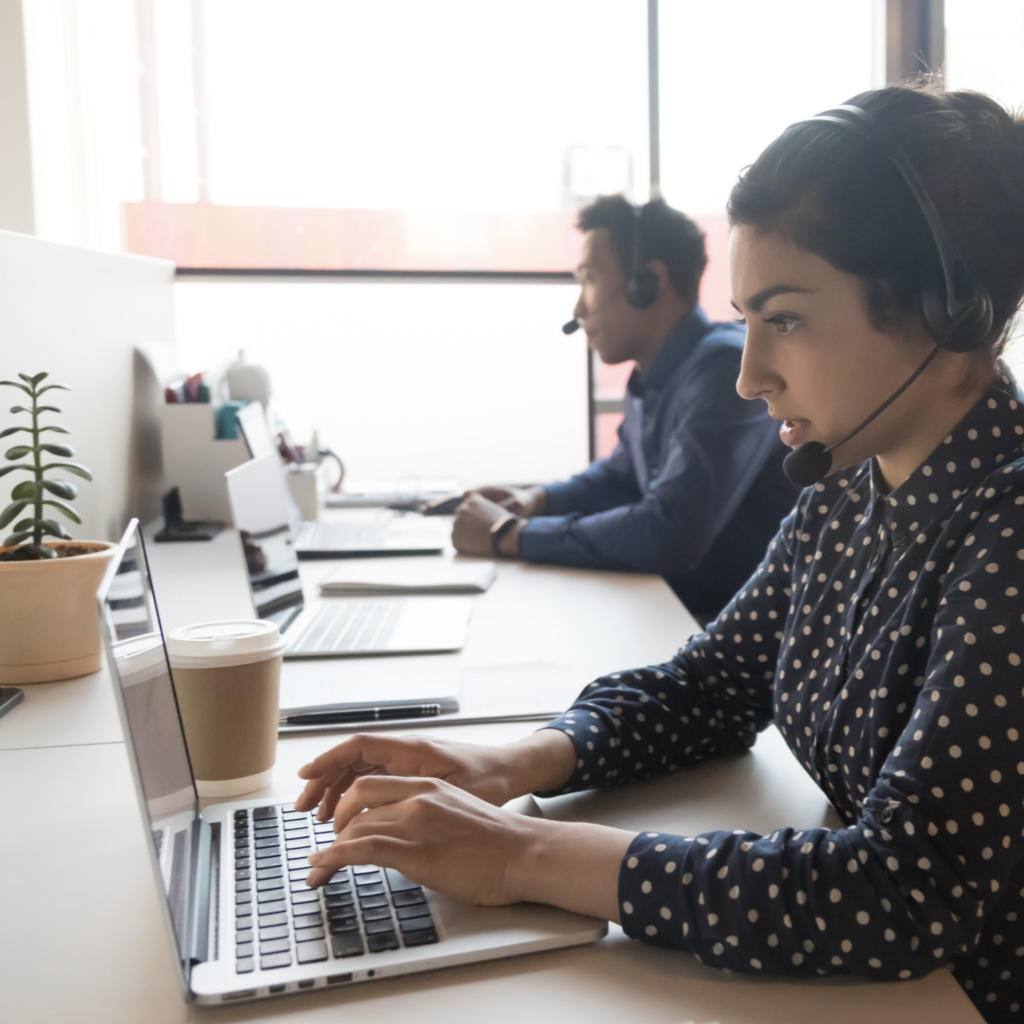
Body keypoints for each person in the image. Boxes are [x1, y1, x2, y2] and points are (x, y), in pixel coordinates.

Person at [295, 82, 1024, 1023]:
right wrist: (512, 765)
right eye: (746, 319)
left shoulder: (1008, 532)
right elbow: (708, 687)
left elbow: (903, 893)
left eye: (787, 319)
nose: (752, 374)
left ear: (944, 307)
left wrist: (524, 855)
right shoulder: (850, 484)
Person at [450, 195, 795, 620]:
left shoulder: (723, 371)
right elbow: (619, 477)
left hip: (735, 644)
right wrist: (535, 500)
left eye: (590, 280)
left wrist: (509, 535)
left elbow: (669, 532)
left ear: (647, 281)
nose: (578, 309)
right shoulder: (652, 377)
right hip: (671, 614)